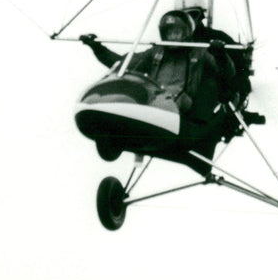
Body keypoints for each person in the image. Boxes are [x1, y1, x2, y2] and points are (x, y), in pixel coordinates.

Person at [82, 10, 236, 174]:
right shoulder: (156, 52)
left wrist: (221, 55)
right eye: (169, 33)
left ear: (186, 33)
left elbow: (228, 72)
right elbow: (123, 63)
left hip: (181, 104)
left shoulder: (199, 52)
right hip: (156, 99)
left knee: (180, 93)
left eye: (177, 33)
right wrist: (98, 48)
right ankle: (119, 131)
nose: (173, 37)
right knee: (130, 88)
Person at [172, 0, 264, 125]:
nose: (188, 21)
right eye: (182, 17)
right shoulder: (173, 43)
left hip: (212, 97)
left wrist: (232, 90)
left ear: (201, 15)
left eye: (193, 15)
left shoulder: (219, 38)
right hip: (181, 95)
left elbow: (240, 71)